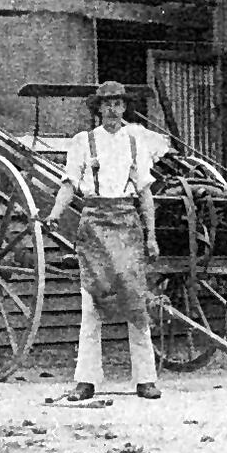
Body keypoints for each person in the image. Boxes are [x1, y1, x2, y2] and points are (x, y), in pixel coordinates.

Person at [45, 81, 162, 400]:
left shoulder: (136, 141)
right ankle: (86, 380)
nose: (112, 109)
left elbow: (145, 194)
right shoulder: (83, 142)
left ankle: (146, 379)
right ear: (98, 108)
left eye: (118, 103)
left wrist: (151, 237)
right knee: (92, 302)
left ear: (124, 107)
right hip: (94, 223)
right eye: (107, 103)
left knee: (136, 302)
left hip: (126, 224)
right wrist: (56, 211)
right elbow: (69, 184)